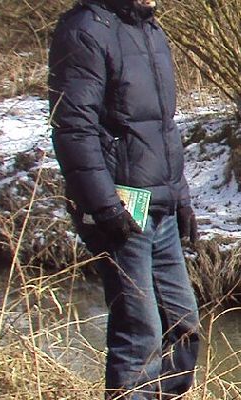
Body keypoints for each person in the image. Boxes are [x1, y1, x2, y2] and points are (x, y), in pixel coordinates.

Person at [47, 0, 201, 398]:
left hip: (159, 208)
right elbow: (73, 128)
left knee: (183, 328)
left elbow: (162, 128)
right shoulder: (86, 29)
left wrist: (180, 197)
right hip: (120, 209)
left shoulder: (149, 30)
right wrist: (104, 206)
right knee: (140, 335)